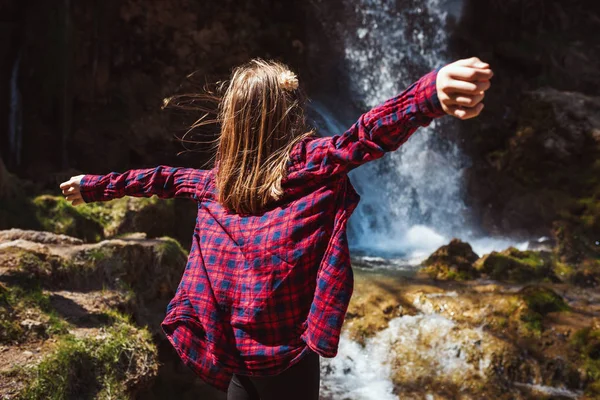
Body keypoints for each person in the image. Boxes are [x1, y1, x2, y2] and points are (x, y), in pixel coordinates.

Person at [60, 57, 492, 400]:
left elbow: (156, 178)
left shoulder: (214, 186)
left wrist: (93, 186)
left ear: (232, 123)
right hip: (287, 357)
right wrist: (427, 95)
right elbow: (365, 135)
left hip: (235, 353)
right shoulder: (308, 168)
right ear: (289, 117)